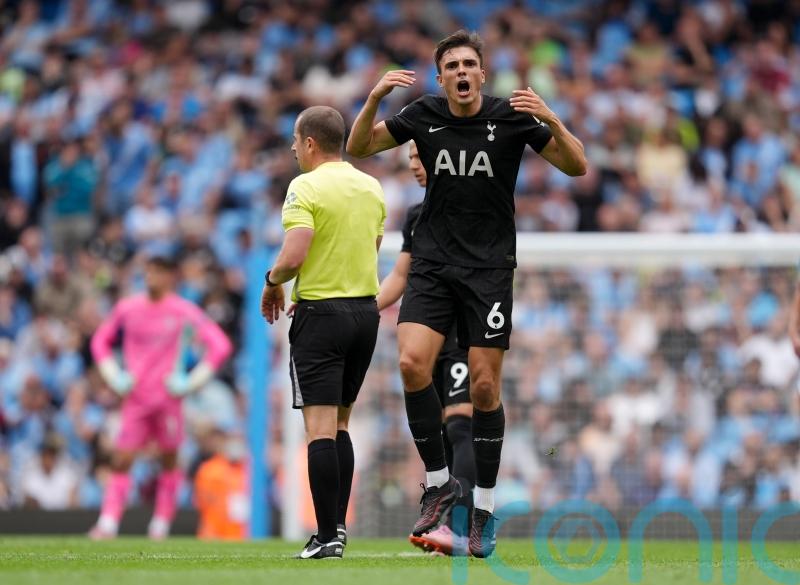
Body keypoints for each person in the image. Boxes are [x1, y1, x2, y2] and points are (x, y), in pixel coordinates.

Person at [347, 29, 586, 557]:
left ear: (482, 73)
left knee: (483, 388)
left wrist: (551, 118)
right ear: (440, 77)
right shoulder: (423, 114)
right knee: (411, 364)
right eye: (450, 64)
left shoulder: (512, 117)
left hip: (489, 271)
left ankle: (483, 512)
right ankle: (438, 486)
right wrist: (372, 99)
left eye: (468, 64)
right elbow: (358, 146)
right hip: (432, 265)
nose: (459, 71)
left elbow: (577, 165)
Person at [261, 105, 385, 559]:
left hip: (322, 316)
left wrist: (273, 282)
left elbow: (294, 254)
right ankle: (338, 530)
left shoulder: (304, 186)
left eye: (295, 142)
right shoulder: (371, 186)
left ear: (310, 142)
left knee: (318, 430)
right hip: (364, 315)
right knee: (340, 423)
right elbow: (371, 247)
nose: (294, 150)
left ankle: (327, 535)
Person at [88, 254, 232, 540]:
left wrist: (189, 382)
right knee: (122, 458)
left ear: (170, 276)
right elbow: (99, 342)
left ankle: (160, 525)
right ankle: (108, 522)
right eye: (148, 271)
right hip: (136, 398)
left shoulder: (183, 312)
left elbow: (220, 345)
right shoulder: (128, 309)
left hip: (168, 400)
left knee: (169, 460)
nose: (151, 277)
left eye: (157, 271)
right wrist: (114, 375)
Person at [377, 140, 475, 556]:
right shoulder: (417, 215)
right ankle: (445, 530)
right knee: (439, 431)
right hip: (426, 337)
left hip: (464, 332)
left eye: (421, 157)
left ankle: (466, 525)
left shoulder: (474, 206)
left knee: (460, 426)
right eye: (411, 159)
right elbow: (401, 275)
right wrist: (362, 307)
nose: (415, 165)